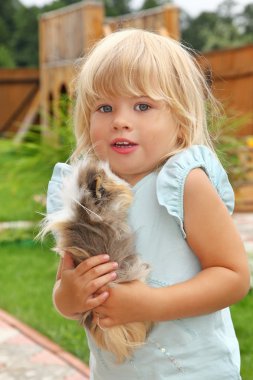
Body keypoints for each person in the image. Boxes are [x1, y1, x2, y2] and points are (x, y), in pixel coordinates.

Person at [46, 29, 250, 380]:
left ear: (181, 120)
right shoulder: (87, 193)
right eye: (105, 107)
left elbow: (233, 277)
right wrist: (72, 294)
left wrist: (149, 304)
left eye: (143, 106)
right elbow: (64, 291)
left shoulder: (185, 183)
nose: (120, 120)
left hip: (194, 371)